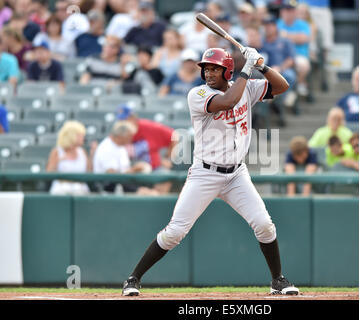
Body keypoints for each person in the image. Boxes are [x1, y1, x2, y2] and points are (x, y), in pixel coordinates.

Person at [121, 47, 299, 296]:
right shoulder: (198, 93)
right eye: (206, 68)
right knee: (175, 232)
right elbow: (229, 101)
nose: (209, 73)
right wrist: (247, 68)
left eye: (215, 68)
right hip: (205, 173)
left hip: (236, 174)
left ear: (227, 71)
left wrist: (260, 65)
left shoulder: (246, 87)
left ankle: (277, 280)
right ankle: (133, 278)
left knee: (264, 225)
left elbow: (282, 87)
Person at [116, 105, 178, 195]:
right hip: (131, 171)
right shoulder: (119, 132)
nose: (122, 122)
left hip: (153, 169)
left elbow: (174, 135)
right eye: (120, 120)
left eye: (125, 119)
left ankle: (157, 206)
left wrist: (167, 158)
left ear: (133, 118)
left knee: (165, 176)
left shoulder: (147, 127)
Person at [93, 120, 158, 195]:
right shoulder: (106, 148)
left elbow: (124, 171)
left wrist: (135, 169)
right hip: (108, 188)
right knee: (148, 194)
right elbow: (112, 176)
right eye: (129, 136)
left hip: (122, 185)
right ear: (120, 136)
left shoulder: (121, 147)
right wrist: (134, 170)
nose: (131, 138)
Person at [46, 121, 92, 195]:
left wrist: (92, 154)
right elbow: (49, 173)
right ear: (72, 136)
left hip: (81, 190)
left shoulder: (82, 151)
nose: (83, 138)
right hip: (61, 190)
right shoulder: (57, 151)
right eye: (81, 135)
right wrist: (58, 161)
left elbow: (89, 172)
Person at [277, 1, 311, 97]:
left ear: (295, 11)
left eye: (291, 10)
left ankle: (297, 86)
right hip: (282, 56)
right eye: (287, 10)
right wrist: (294, 37)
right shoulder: (278, 23)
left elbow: (303, 38)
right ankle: (290, 93)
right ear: (282, 11)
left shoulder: (302, 24)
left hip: (298, 56)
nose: (289, 13)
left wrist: (285, 35)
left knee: (304, 65)